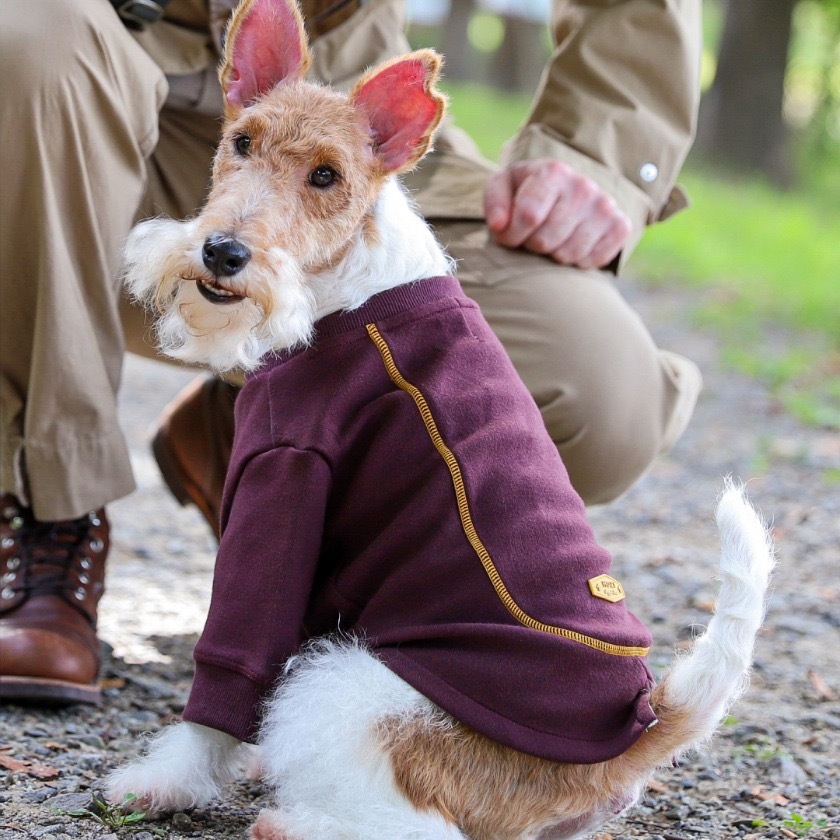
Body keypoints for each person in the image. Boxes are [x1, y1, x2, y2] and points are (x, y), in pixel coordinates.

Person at [0, 0, 702, 705]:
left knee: (599, 402)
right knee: (25, 44)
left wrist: (597, 155)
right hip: (65, 87)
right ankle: (45, 516)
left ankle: (256, 435)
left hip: (342, 93)